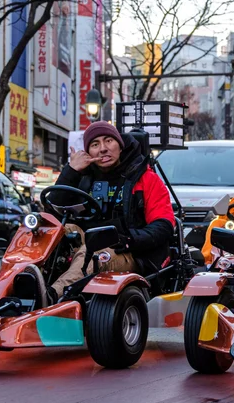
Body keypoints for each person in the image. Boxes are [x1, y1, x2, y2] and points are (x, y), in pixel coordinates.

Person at [46, 121, 175, 301]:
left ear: (120, 146)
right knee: (47, 232)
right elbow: (52, 212)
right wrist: (70, 171)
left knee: (92, 254)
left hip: (129, 250)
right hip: (88, 237)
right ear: (88, 152)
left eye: (109, 141)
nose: (103, 149)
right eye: (95, 144)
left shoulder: (147, 179)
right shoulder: (82, 177)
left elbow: (164, 226)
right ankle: (18, 284)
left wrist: (131, 239)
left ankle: (51, 296)